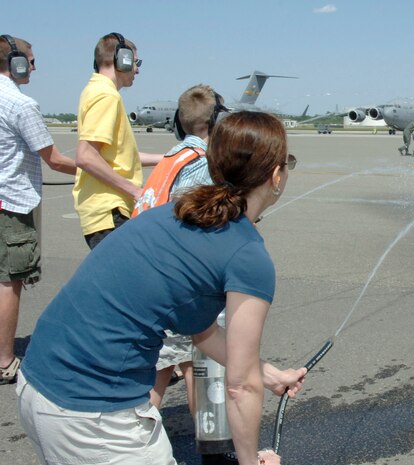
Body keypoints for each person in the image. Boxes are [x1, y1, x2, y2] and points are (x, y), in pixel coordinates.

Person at [18, 111, 305, 465]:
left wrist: (269, 373)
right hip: (93, 413)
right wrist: (250, 461)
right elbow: (240, 387)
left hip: (39, 386)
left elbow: (202, 331)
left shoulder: (178, 213)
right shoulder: (246, 253)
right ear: (276, 176)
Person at [132, 84, 225, 418]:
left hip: (150, 278)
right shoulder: (201, 164)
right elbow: (202, 222)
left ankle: (139, 442)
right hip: (179, 284)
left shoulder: (173, 157)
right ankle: (209, 444)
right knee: (200, 365)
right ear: (216, 120)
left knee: (171, 365)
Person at [0, 34, 76, 385]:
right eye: (30, 60)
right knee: (8, 281)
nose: (33, 66)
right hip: (10, 204)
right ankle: (4, 361)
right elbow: (55, 160)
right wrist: (105, 172)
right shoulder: (19, 104)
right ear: (15, 62)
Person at [73, 32, 162, 250]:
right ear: (122, 59)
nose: (137, 69)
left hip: (107, 210)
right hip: (110, 210)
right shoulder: (106, 96)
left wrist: (168, 157)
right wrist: (135, 191)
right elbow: (85, 156)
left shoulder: (96, 90)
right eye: (135, 62)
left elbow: (119, 157)